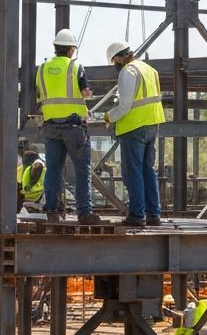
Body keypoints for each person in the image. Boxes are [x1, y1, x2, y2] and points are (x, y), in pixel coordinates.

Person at [35, 29, 102, 225]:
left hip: (51, 127)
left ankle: (52, 211)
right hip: (73, 127)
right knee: (82, 170)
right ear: (72, 49)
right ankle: (84, 213)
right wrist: (88, 95)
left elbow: (40, 93)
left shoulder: (42, 68)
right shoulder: (75, 66)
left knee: (54, 169)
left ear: (56, 47)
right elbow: (85, 92)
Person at [103, 40, 165, 228]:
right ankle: (153, 215)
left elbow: (124, 106)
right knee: (148, 171)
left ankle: (137, 215)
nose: (114, 66)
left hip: (133, 127)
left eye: (114, 62)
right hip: (152, 125)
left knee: (133, 172)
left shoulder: (127, 72)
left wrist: (108, 117)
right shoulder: (149, 69)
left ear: (119, 59)